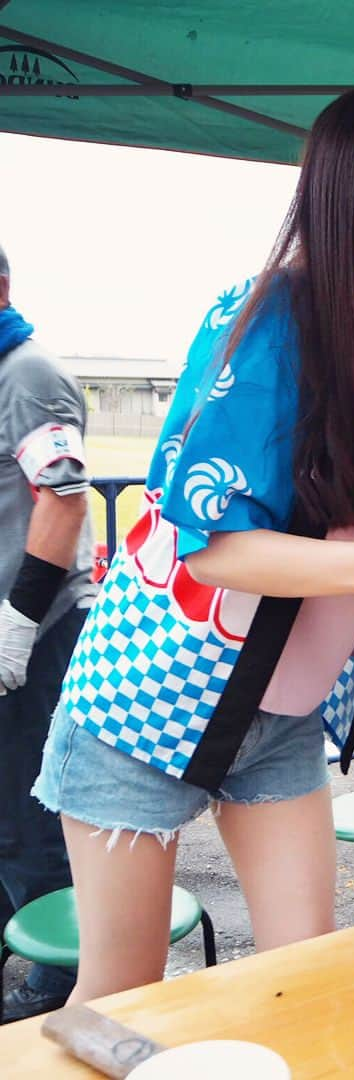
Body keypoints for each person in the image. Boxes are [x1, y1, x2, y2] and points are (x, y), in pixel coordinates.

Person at [32, 84, 354, 1003]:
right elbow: (216, 549)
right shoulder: (265, 320)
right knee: (123, 992)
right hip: (141, 708)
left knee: (307, 979)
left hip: (281, 715)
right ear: (334, 213)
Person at [0, 244, 96, 1021]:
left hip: (34, 629)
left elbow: (62, 499)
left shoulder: (27, 372)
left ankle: (56, 980)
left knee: (30, 812)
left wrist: (18, 622)